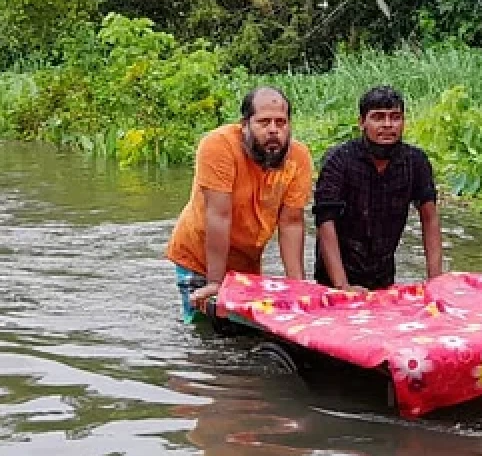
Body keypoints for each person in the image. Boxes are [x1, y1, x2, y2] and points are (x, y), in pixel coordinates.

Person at [166, 86, 313, 321]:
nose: (273, 130)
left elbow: (291, 223)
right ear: (245, 124)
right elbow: (219, 216)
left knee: (247, 334)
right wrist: (215, 283)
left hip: (246, 262)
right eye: (263, 122)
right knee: (205, 331)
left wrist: (298, 286)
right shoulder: (219, 146)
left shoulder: (299, 157)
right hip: (199, 257)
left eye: (281, 122)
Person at [312, 85, 443, 291]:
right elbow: (325, 222)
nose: (388, 125)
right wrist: (342, 285)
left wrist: (436, 282)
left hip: (383, 276)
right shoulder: (339, 160)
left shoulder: (415, 162)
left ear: (403, 122)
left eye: (395, 117)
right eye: (378, 117)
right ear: (362, 122)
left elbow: (430, 219)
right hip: (333, 277)